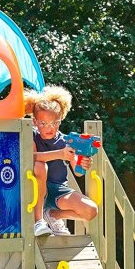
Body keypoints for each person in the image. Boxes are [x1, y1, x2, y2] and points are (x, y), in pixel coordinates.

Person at [25, 85, 98, 236]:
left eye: (54, 123)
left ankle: (53, 216)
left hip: (58, 191)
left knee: (91, 210)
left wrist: (83, 163)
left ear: (60, 120)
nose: (49, 128)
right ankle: (38, 221)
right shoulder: (30, 134)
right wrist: (59, 154)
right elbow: (30, 156)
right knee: (40, 166)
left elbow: (78, 172)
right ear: (35, 122)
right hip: (35, 189)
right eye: (43, 123)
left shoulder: (66, 141)